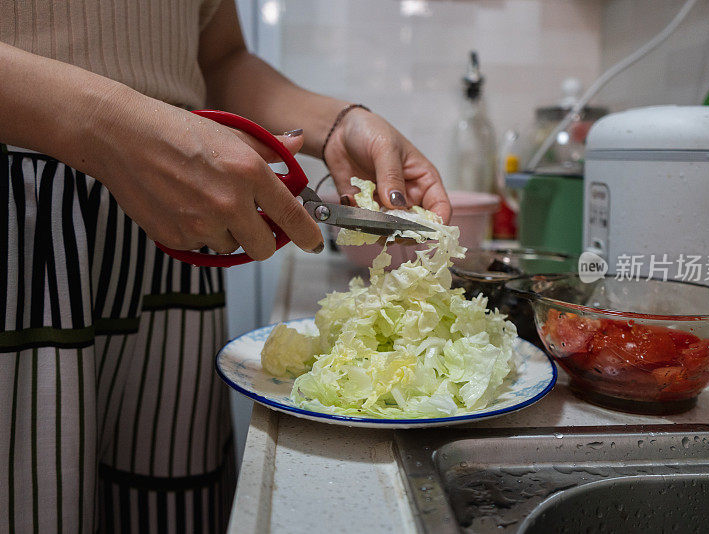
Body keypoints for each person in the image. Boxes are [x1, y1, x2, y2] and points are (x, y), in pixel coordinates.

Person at [0, 0, 451, 532]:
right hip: (21, 235)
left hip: (164, 233)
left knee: (160, 506)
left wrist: (337, 124)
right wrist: (111, 127)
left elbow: (221, 61)